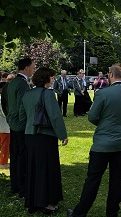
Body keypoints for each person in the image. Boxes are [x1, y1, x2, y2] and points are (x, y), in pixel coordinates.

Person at [67, 63, 121, 217]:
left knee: (93, 178)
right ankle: (112, 212)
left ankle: (80, 212)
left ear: (111, 75)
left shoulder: (103, 94)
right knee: (116, 177)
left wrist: (103, 124)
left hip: (103, 143)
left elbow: (92, 117)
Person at [19, 67, 68, 214]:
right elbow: (55, 116)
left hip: (29, 135)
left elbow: (22, 117)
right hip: (45, 136)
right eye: (52, 77)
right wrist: (62, 135)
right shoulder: (47, 94)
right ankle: (47, 203)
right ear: (45, 78)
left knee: (32, 168)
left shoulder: (27, 94)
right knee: (47, 169)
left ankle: (31, 202)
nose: (53, 80)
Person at [6, 58, 35, 198]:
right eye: (32, 66)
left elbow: (5, 104)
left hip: (13, 122)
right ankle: (22, 188)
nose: (34, 69)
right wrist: (25, 123)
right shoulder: (22, 84)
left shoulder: (12, 83)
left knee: (15, 156)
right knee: (22, 157)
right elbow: (22, 106)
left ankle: (15, 185)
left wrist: (10, 117)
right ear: (26, 68)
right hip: (20, 125)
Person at [0, 82, 10, 169]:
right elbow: (4, 113)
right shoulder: (2, 98)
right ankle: (3, 163)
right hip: (4, 126)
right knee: (5, 145)